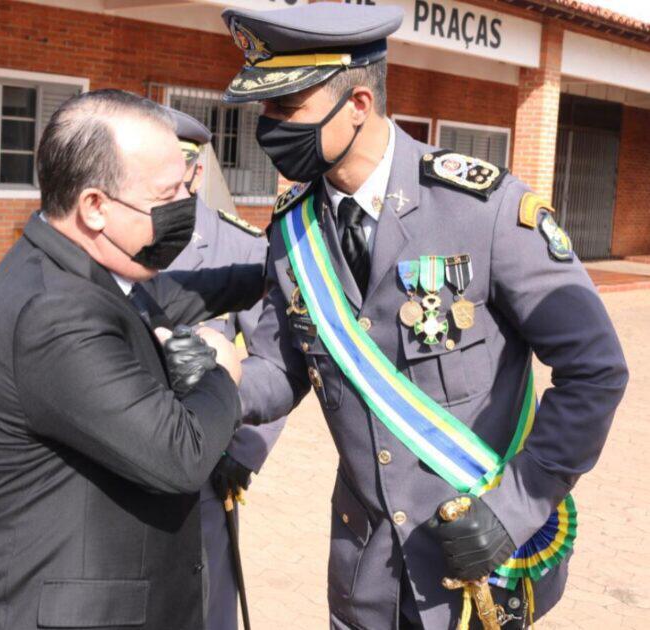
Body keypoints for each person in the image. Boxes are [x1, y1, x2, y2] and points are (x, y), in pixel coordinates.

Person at [221, 4, 629, 629]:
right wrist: (218, 383)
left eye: (286, 108)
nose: (269, 128)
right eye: (266, 110)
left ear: (358, 103)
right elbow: (283, 367)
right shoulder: (292, 229)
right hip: (366, 571)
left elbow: (596, 368)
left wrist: (514, 507)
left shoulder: (484, 209)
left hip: (478, 559)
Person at [0, 89, 264, 630]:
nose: (183, 209)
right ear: (95, 206)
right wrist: (221, 371)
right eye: (167, 195)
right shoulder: (53, 311)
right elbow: (181, 454)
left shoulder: (82, 263)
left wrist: (284, 270)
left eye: (187, 188)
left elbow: (185, 294)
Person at [152, 106, 287, 630]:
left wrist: (246, 449)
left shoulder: (244, 247)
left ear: (196, 171)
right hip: (123, 448)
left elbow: (275, 358)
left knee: (206, 601)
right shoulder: (116, 235)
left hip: (207, 459)